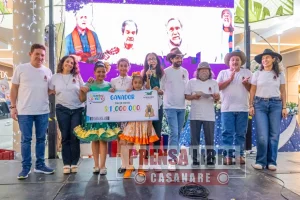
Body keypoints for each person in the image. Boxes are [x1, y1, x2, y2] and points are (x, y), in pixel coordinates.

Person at [10, 44, 55, 180]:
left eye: (42, 55)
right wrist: (13, 107)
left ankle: (40, 165)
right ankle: (26, 167)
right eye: (37, 54)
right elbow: (14, 89)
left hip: (43, 110)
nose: (40, 57)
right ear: (30, 54)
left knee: (42, 139)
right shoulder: (21, 69)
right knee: (26, 140)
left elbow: (48, 90)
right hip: (25, 111)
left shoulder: (47, 71)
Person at [74, 61, 121, 175]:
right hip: (92, 116)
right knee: (94, 140)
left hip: (105, 117)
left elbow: (114, 100)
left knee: (103, 140)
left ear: (106, 72)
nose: (101, 74)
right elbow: (82, 99)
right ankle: (95, 165)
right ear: (94, 72)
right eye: (98, 72)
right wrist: (82, 90)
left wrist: (113, 92)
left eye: (103, 72)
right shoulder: (89, 84)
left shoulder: (109, 85)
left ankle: (103, 166)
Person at [249, 49, 287, 171]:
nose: (264, 60)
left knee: (274, 135)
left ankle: (272, 161)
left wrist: (284, 107)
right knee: (262, 135)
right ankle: (260, 161)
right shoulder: (257, 74)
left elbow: (283, 91)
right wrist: (251, 105)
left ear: (273, 59)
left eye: (267, 57)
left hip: (276, 104)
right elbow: (252, 91)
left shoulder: (280, 74)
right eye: (263, 58)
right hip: (260, 105)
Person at [119, 71, 159, 178]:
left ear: (142, 84)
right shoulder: (129, 94)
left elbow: (150, 109)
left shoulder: (146, 95)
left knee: (142, 147)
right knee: (127, 145)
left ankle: (141, 168)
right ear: (132, 84)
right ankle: (129, 167)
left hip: (143, 123)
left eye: (139, 82)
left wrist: (150, 125)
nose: (137, 84)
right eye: (135, 82)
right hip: (132, 123)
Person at [49, 55, 84, 174]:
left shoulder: (77, 76)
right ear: (62, 62)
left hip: (77, 109)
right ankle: (66, 163)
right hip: (62, 109)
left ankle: (74, 163)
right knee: (65, 136)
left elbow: (83, 89)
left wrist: (88, 85)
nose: (69, 64)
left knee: (75, 136)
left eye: (72, 63)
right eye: (67, 62)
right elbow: (49, 90)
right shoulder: (55, 77)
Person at [216, 49, 252, 165]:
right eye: (232, 60)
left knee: (241, 133)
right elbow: (218, 87)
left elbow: (252, 89)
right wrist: (230, 79)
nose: (235, 61)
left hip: (243, 108)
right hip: (227, 109)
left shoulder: (247, 72)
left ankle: (239, 155)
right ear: (229, 62)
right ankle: (228, 156)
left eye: (237, 59)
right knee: (227, 133)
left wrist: (246, 83)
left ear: (241, 61)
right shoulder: (223, 73)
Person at [185, 62, 220, 167]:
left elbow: (217, 99)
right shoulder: (191, 82)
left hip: (209, 115)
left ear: (210, 72)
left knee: (209, 138)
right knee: (194, 139)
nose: (204, 71)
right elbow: (186, 96)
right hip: (195, 114)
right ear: (198, 71)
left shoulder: (214, 82)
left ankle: (210, 159)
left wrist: (216, 97)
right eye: (202, 69)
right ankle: (195, 159)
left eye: (206, 70)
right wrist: (194, 96)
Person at [160, 47, 189, 171]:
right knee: (174, 133)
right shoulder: (165, 72)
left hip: (182, 107)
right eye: (177, 57)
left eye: (181, 57)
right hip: (170, 107)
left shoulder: (185, 71)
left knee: (178, 133)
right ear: (171, 59)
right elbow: (161, 88)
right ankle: (171, 159)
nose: (179, 59)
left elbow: (187, 88)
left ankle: (175, 157)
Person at [142, 52, 164, 171]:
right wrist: (147, 78)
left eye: (153, 58)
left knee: (157, 132)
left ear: (157, 60)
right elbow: (144, 89)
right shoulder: (144, 73)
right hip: (147, 107)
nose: (152, 61)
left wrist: (160, 90)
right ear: (146, 62)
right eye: (149, 59)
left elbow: (165, 88)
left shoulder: (162, 73)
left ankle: (155, 161)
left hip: (158, 105)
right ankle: (145, 160)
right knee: (147, 133)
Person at [109, 58, 133, 173]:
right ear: (117, 67)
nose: (123, 68)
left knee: (129, 140)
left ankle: (130, 163)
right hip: (117, 114)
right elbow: (109, 94)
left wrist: (132, 90)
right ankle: (123, 164)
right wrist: (111, 91)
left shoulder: (132, 80)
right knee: (121, 139)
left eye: (125, 65)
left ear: (129, 67)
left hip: (130, 114)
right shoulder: (113, 80)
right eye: (121, 65)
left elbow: (138, 92)